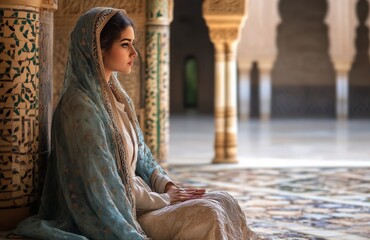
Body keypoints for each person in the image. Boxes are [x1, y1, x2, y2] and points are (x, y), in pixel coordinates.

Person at [14, 7, 258, 240]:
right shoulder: (79, 108)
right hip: (123, 213)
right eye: (124, 44)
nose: (134, 53)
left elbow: (142, 154)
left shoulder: (117, 97)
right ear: (97, 50)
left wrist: (168, 186)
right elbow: (106, 187)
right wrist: (166, 199)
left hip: (145, 199)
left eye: (133, 44)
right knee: (209, 213)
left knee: (224, 200)